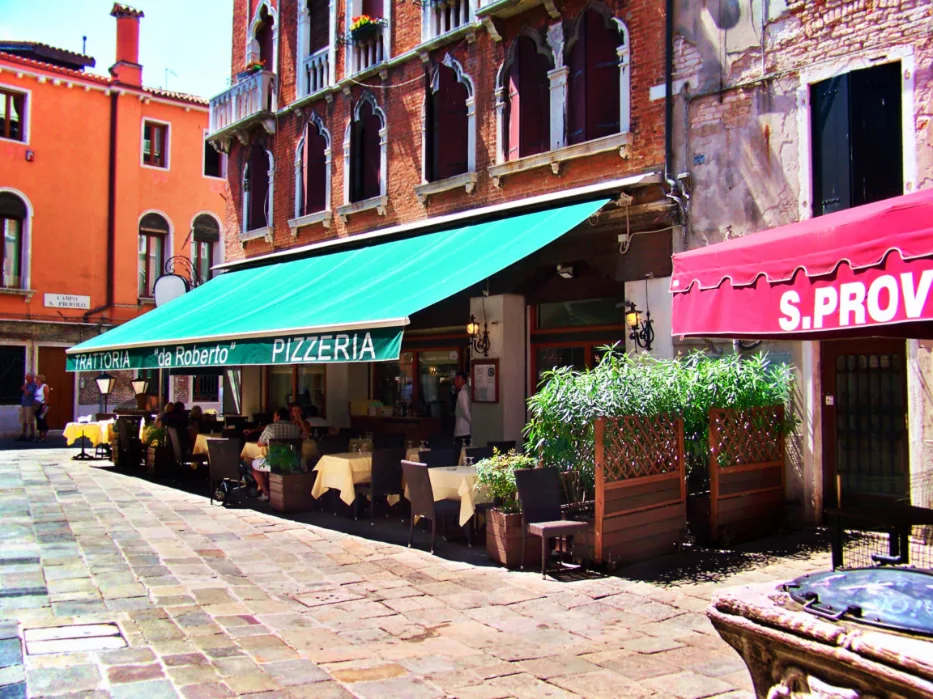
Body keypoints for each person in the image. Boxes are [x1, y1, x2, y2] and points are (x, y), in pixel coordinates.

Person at [249, 407, 302, 502]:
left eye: (274, 416)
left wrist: (269, 442)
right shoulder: (295, 428)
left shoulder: (270, 427)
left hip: (275, 462)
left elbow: (260, 443)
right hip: (293, 462)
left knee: (254, 465)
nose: (273, 418)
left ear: (278, 416)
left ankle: (266, 493)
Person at [453, 371, 471, 448]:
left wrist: (472, 423)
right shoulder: (466, 391)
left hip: (464, 430)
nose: (456, 382)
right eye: (455, 379)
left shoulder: (463, 393)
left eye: (458, 379)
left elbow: (465, 410)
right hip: (465, 429)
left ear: (464, 380)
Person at [19, 372, 37, 441]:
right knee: (24, 421)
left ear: (31, 378)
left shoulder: (33, 385)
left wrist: (25, 388)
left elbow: (27, 393)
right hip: (24, 404)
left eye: (27, 376)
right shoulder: (27, 384)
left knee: (30, 420)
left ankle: (32, 434)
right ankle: (24, 434)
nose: (26, 378)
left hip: (29, 405)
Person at [34, 374, 50, 442]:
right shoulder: (37, 387)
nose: (36, 380)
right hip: (37, 405)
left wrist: (44, 406)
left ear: (41, 380)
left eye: (37, 379)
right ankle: (40, 435)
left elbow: (46, 397)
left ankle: (44, 436)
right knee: (38, 420)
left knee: (43, 420)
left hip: (42, 405)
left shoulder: (44, 386)